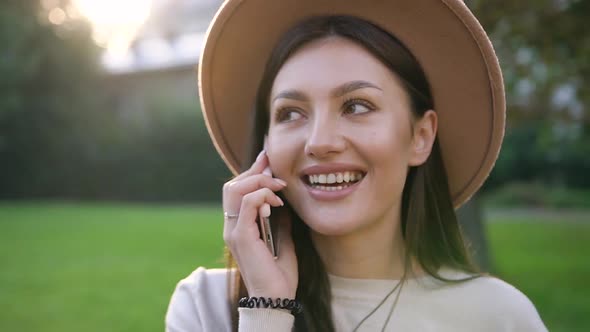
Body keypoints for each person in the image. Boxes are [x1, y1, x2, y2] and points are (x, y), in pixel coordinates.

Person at [166, 0, 548, 331]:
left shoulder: (498, 318)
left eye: (356, 106)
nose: (320, 141)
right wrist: (268, 308)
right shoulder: (206, 307)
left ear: (420, 136)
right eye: (291, 113)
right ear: (266, 144)